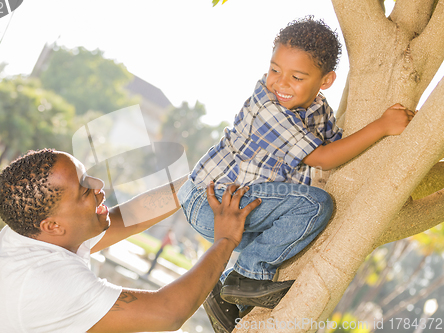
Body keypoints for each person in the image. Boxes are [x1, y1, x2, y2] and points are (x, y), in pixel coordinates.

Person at [177, 16, 415, 331]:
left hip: (247, 207)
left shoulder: (318, 109)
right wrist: (382, 126)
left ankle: (224, 295)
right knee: (314, 205)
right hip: (214, 201)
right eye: (275, 69)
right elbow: (324, 158)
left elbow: (341, 147)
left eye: (297, 77)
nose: (281, 83)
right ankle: (246, 277)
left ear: (325, 80)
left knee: (291, 235)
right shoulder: (268, 107)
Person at [0, 149, 261, 333]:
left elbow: (131, 215)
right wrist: (225, 239)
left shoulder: (31, 229)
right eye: (84, 190)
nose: (98, 186)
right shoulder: (45, 282)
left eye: (87, 176)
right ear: (53, 225)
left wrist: (202, 178)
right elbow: (168, 313)